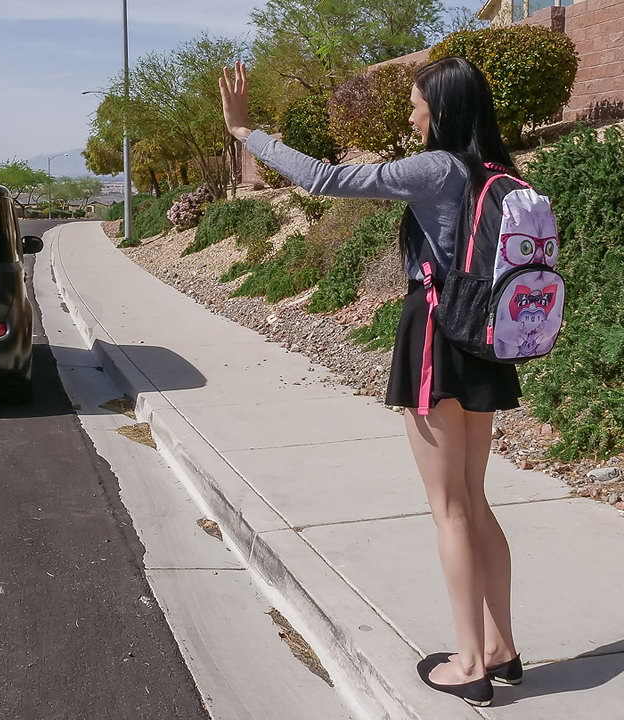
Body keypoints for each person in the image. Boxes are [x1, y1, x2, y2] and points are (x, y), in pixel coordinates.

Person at [220, 58, 523, 706]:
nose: (411, 115)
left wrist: (247, 133)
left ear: (440, 111)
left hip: (440, 335)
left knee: (449, 509)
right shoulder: (500, 172)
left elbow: (328, 179)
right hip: (486, 340)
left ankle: (469, 660)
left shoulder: (437, 168)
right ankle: (500, 647)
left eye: (417, 105)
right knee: (472, 497)